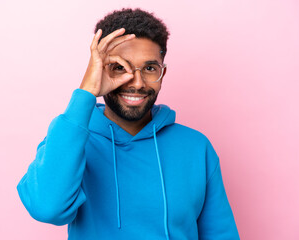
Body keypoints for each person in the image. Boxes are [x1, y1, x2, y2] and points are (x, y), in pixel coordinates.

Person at [17, 8, 240, 240]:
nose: (137, 82)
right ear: (100, 70)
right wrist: (86, 93)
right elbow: (47, 208)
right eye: (119, 67)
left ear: (162, 73)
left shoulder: (196, 147)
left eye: (150, 68)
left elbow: (221, 234)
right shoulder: (71, 139)